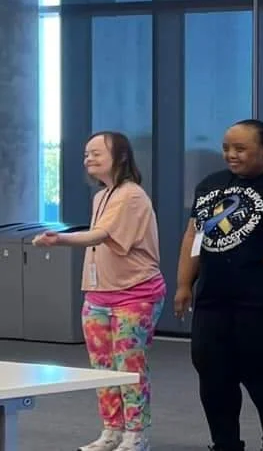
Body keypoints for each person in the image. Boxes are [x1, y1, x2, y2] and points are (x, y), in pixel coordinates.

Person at [174, 119, 263, 451]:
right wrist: (183, 284)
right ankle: (225, 444)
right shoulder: (211, 184)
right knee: (213, 376)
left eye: (240, 148)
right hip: (213, 302)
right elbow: (194, 236)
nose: (231, 155)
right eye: (226, 148)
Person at [32, 132, 165, 451]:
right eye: (86, 154)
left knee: (129, 368)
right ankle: (112, 431)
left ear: (121, 157)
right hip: (97, 296)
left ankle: (136, 434)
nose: (88, 158)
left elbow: (100, 235)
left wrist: (59, 239)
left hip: (135, 294)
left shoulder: (131, 195)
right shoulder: (102, 196)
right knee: (103, 369)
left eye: (96, 153)